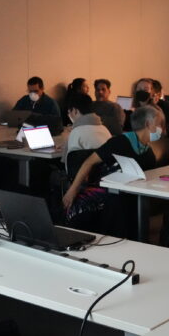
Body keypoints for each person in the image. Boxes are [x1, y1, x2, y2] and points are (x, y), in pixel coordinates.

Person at [62, 104, 163, 238]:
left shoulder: (148, 151)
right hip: (108, 192)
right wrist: (72, 190)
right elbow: (89, 162)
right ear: (148, 124)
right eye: (159, 124)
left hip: (131, 193)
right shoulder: (119, 142)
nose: (161, 129)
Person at [64, 93, 111, 168]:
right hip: (104, 175)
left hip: (80, 177)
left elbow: (68, 166)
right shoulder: (104, 129)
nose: (69, 116)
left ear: (75, 111)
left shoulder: (76, 132)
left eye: (69, 112)